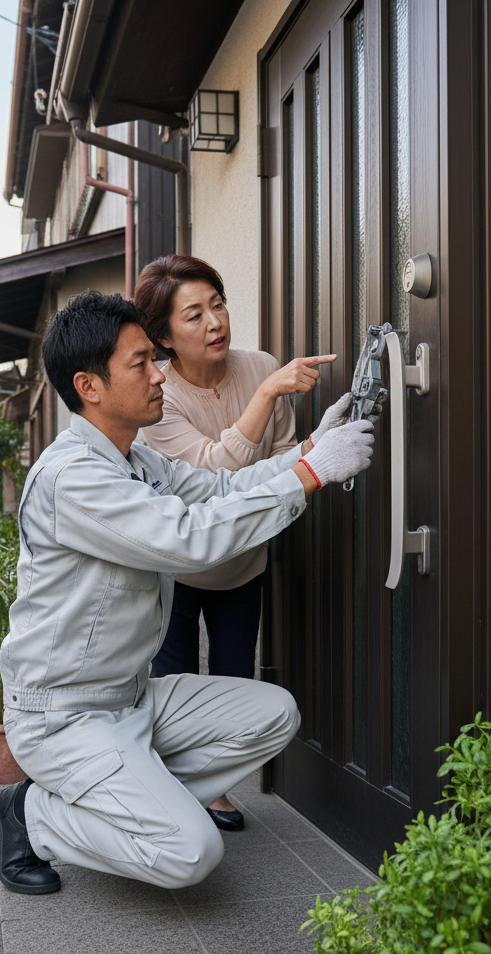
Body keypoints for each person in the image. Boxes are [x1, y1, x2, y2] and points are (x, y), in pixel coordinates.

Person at [0, 289, 374, 895]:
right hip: (65, 716)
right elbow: (187, 539)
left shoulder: (135, 458)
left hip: (132, 697)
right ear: (89, 386)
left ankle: (135, 793)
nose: (157, 375)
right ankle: (31, 816)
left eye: (153, 359)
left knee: (274, 713)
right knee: (191, 852)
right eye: (140, 363)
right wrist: (310, 475)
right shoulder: (74, 478)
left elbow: (215, 491)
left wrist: (304, 451)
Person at [136, 255, 342, 830]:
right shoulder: (160, 396)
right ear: (164, 339)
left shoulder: (258, 367)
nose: (215, 322)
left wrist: (305, 444)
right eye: (194, 314)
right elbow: (208, 477)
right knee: (170, 684)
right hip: (177, 564)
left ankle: (215, 788)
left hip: (243, 559)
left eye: (218, 304)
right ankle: (166, 794)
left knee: (233, 680)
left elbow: (283, 458)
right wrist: (268, 395)